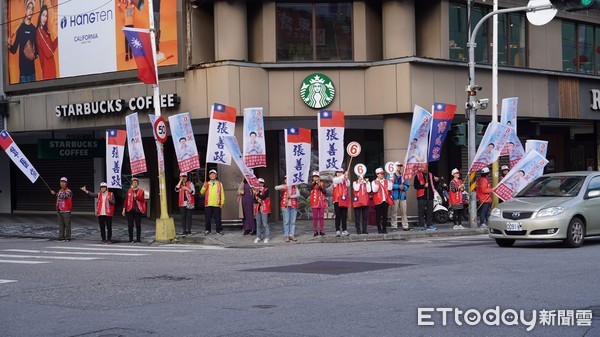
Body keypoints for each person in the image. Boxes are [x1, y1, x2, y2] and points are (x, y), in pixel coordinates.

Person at [8, 0, 37, 83]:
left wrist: (33, 54)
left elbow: (36, 50)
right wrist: (9, 45)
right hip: (23, 73)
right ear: (26, 10)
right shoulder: (20, 28)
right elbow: (14, 50)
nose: (30, 11)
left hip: (32, 73)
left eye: (32, 9)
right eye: (29, 8)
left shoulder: (34, 29)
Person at [36, 4, 57, 80]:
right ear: (40, 16)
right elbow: (49, 53)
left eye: (46, 16)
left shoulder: (45, 32)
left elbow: (52, 48)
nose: (45, 18)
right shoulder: (39, 32)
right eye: (43, 15)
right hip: (47, 74)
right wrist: (51, 50)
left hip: (53, 71)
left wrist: (58, 38)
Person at [414, 166, 439, 230]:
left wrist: (437, 180)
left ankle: (429, 225)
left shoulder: (431, 175)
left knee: (430, 211)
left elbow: (435, 184)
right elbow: (415, 186)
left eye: (426, 167)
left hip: (430, 196)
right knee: (421, 212)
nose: (425, 169)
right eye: (424, 167)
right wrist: (423, 186)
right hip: (421, 196)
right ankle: (421, 225)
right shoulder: (418, 175)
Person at [200, 169, 225, 235]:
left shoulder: (219, 184)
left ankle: (219, 230)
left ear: (216, 175)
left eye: (213, 174)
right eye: (211, 174)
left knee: (218, 218)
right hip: (208, 203)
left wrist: (222, 202)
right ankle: (207, 230)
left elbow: (222, 194)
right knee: (207, 219)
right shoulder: (207, 183)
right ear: (209, 176)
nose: (212, 175)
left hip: (216, 204)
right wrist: (204, 187)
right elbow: (202, 192)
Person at [122, 177, 146, 243]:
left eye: (136, 182)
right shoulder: (129, 190)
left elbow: (142, 200)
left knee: (138, 225)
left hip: (138, 210)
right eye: (133, 182)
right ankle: (131, 239)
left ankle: (138, 239)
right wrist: (124, 209)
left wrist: (137, 197)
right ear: (132, 183)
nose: (134, 184)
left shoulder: (141, 191)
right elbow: (126, 200)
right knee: (130, 225)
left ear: (138, 183)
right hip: (130, 210)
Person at [275, 176, 299, 242]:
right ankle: (286, 235)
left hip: (293, 205)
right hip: (285, 206)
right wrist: (284, 186)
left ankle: (292, 234)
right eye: (286, 179)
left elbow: (298, 194)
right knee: (286, 221)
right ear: (285, 180)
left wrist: (290, 196)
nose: (287, 180)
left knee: (293, 221)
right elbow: (276, 188)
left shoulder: (294, 186)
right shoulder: (283, 186)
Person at [371, 167, 393, 234]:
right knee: (378, 215)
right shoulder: (374, 182)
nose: (382, 175)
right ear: (377, 174)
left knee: (385, 215)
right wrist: (378, 183)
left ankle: (384, 228)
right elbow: (374, 190)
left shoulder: (386, 181)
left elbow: (390, 188)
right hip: (378, 200)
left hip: (385, 200)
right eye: (380, 173)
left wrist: (391, 181)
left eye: (383, 173)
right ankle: (379, 229)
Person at [50, 177, 72, 241]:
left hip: (66, 211)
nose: (62, 183)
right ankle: (61, 237)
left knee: (67, 225)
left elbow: (64, 196)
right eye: (61, 182)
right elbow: (58, 200)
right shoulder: (60, 191)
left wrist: (55, 194)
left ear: (66, 183)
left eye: (64, 182)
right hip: (59, 210)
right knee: (61, 225)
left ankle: (68, 237)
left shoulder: (69, 191)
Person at [390, 162, 410, 231]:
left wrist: (403, 187)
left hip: (402, 196)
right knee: (394, 212)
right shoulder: (391, 176)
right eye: (398, 166)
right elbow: (389, 185)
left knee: (404, 212)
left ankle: (405, 226)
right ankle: (393, 226)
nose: (399, 167)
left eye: (400, 166)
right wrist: (398, 186)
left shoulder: (403, 176)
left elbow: (407, 185)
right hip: (394, 196)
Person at [175, 172, 195, 236]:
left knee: (189, 216)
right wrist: (180, 181)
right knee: (183, 216)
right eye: (182, 176)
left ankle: (189, 230)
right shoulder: (179, 184)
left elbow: (193, 192)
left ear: (187, 177)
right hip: (182, 203)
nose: (183, 178)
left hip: (189, 202)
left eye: (185, 176)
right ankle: (184, 230)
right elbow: (176, 189)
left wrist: (187, 189)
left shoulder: (190, 183)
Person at [332, 169, 351, 236]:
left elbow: (348, 184)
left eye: (341, 172)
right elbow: (338, 180)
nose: (339, 173)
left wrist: (346, 177)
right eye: (338, 172)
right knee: (338, 215)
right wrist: (344, 175)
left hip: (344, 200)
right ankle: (337, 230)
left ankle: (344, 229)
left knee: (344, 215)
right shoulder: (335, 180)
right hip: (337, 200)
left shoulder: (344, 179)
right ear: (336, 173)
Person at [253, 178, 271, 243]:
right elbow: (254, 200)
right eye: (259, 183)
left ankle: (267, 237)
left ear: (263, 183)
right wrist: (257, 200)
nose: (260, 184)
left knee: (265, 223)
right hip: (257, 208)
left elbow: (264, 197)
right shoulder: (255, 190)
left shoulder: (266, 190)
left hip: (264, 208)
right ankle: (258, 237)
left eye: (261, 183)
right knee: (258, 224)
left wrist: (257, 194)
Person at [309, 171, 327, 236]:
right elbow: (310, 187)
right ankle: (315, 230)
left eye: (317, 177)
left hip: (321, 202)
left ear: (319, 177)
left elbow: (325, 191)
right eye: (314, 177)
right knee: (315, 217)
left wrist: (321, 188)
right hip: (314, 202)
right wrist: (315, 183)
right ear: (313, 178)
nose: (315, 178)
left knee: (321, 217)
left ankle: (321, 230)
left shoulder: (322, 183)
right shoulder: (311, 183)